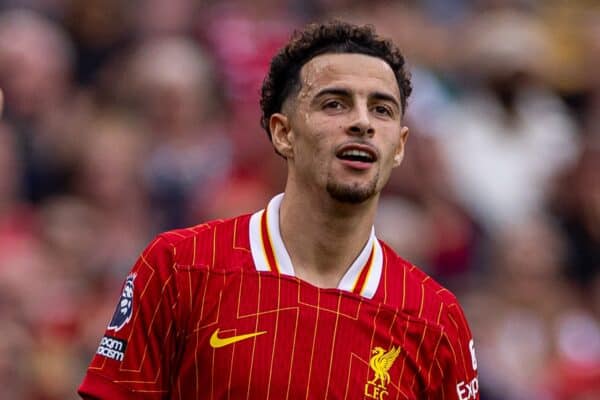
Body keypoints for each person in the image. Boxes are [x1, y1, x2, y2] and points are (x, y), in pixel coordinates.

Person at [78, 21, 479, 400]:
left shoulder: (435, 319)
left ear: (401, 146)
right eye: (335, 104)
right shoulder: (180, 268)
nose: (362, 122)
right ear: (282, 133)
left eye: (382, 109)